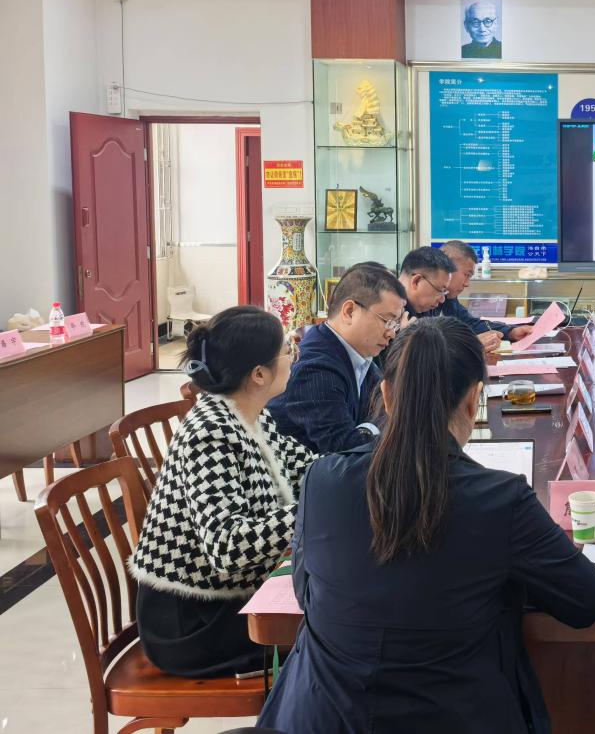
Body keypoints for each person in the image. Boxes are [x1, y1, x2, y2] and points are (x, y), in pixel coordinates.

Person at [257, 316, 595, 733]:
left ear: (386, 396)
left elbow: (306, 592)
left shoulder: (324, 479)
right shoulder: (502, 498)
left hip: (323, 718)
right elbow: (586, 601)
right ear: (474, 400)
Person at [130, 306, 314, 678]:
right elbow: (227, 547)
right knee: (337, 628)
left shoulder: (251, 414)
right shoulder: (210, 434)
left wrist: (359, 472)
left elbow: (310, 467)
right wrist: (318, 507)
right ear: (259, 374)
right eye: (288, 351)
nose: (294, 358)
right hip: (193, 619)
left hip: (229, 597)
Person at [269, 262, 407, 453]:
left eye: (396, 324)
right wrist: (376, 428)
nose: (391, 333)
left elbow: (388, 411)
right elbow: (347, 449)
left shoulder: (360, 355)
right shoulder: (315, 369)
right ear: (349, 311)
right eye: (387, 321)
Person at [437, 240, 534, 348]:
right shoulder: (425, 301)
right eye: (466, 275)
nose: (467, 284)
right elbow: (429, 345)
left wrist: (511, 332)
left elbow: (471, 324)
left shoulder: (448, 298)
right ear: (447, 268)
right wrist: (472, 343)